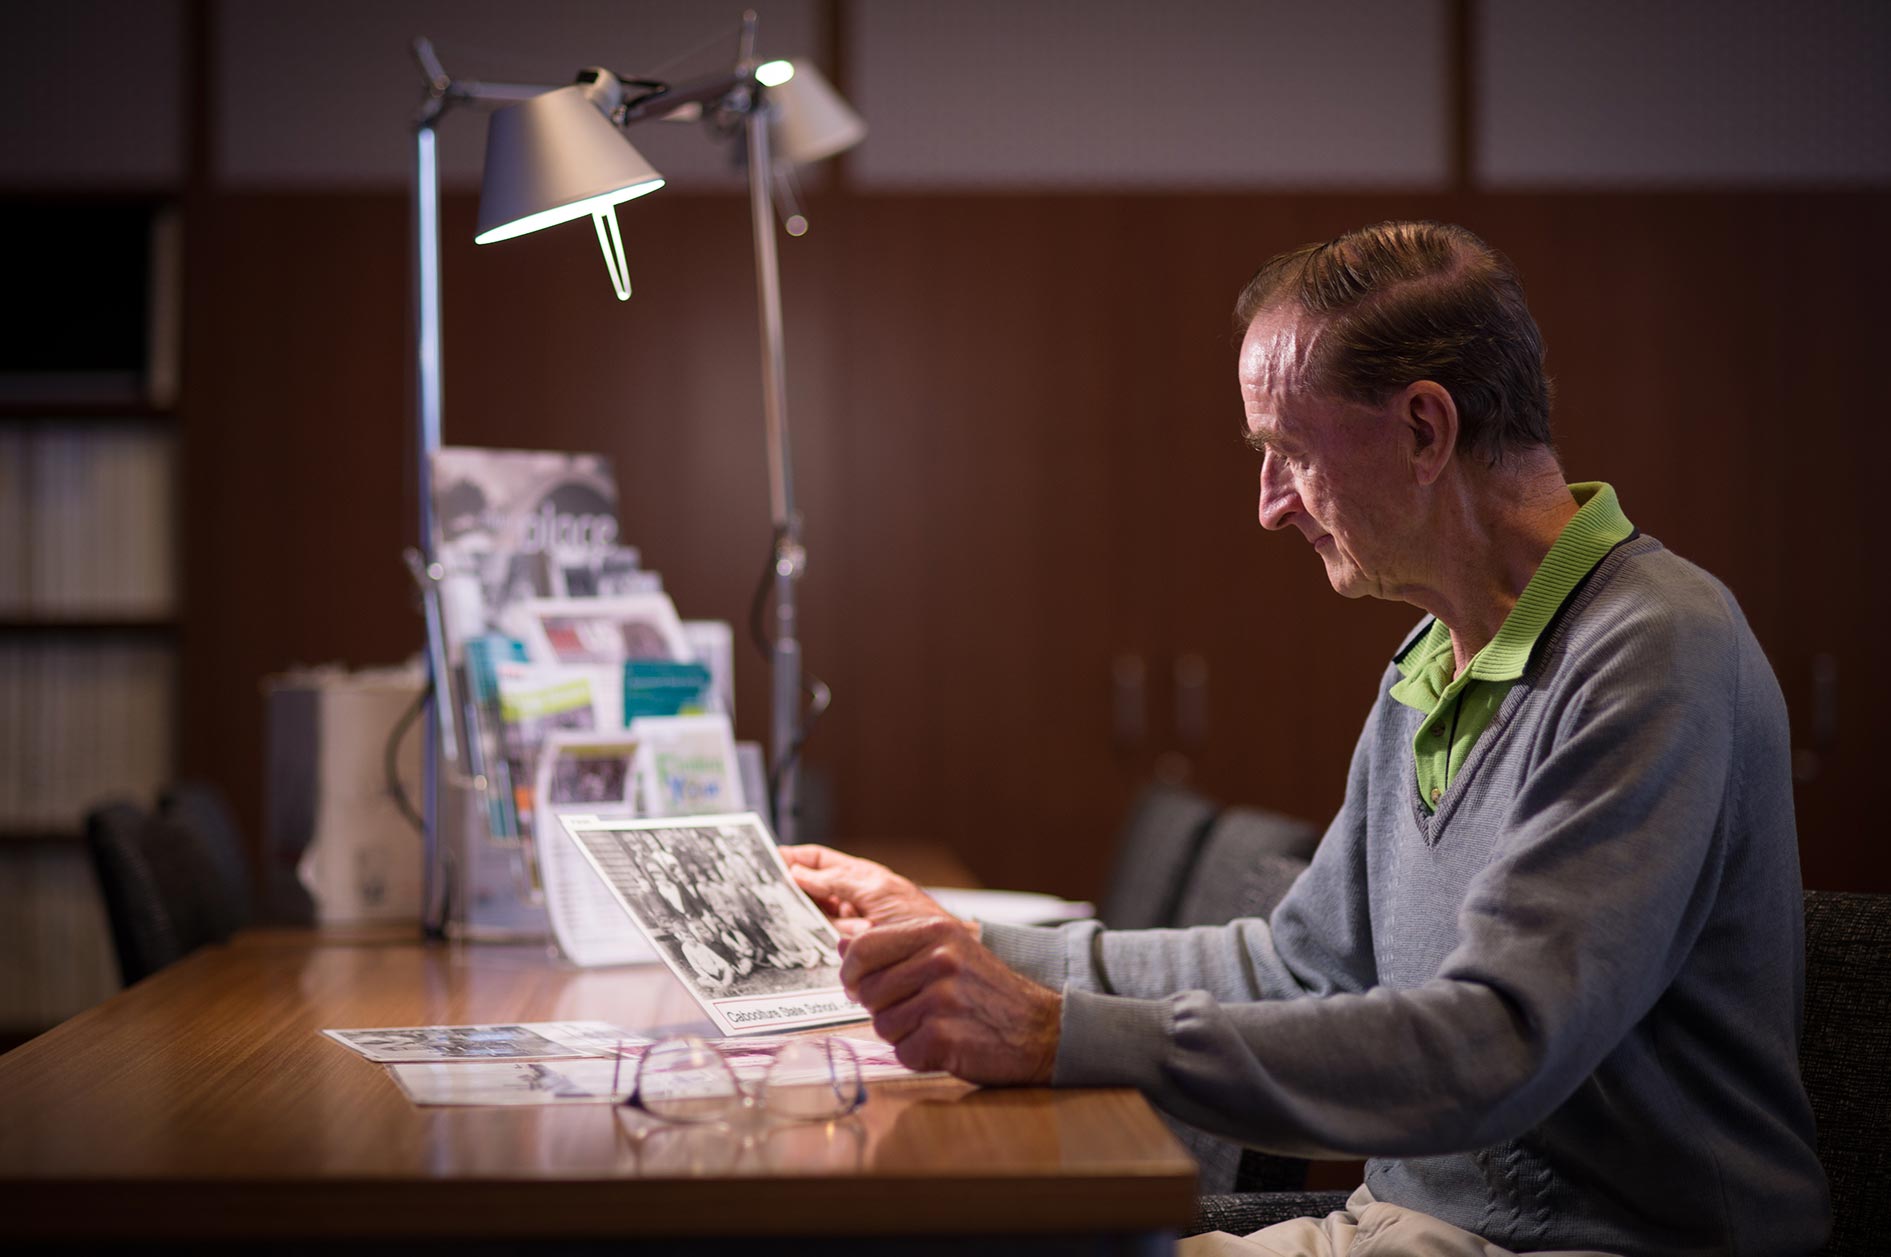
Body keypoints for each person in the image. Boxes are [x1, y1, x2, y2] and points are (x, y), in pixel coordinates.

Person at [784, 222, 1831, 1257]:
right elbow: (1303, 965)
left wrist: (1057, 1034)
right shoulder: (1432, 656)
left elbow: (1493, 1047)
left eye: (1285, 451)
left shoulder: (1654, 649)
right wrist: (967, 949)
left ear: (1426, 430)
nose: (1268, 507)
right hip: (1406, 1228)